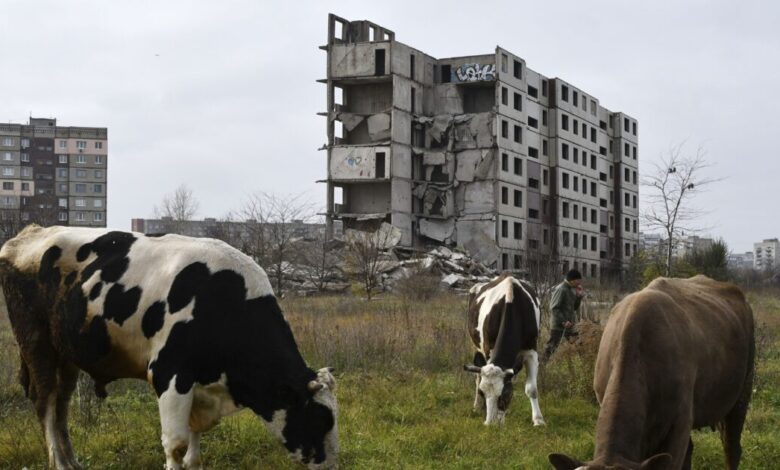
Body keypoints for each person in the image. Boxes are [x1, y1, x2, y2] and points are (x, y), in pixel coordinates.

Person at [542, 269, 585, 361]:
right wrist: (563, 321)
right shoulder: (561, 289)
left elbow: (574, 308)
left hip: (570, 325)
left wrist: (578, 297)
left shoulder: (571, 289)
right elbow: (554, 308)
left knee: (579, 345)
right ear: (572, 280)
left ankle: (583, 365)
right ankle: (541, 366)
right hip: (559, 326)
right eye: (578, 280)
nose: (579, 283)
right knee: (550, 348)